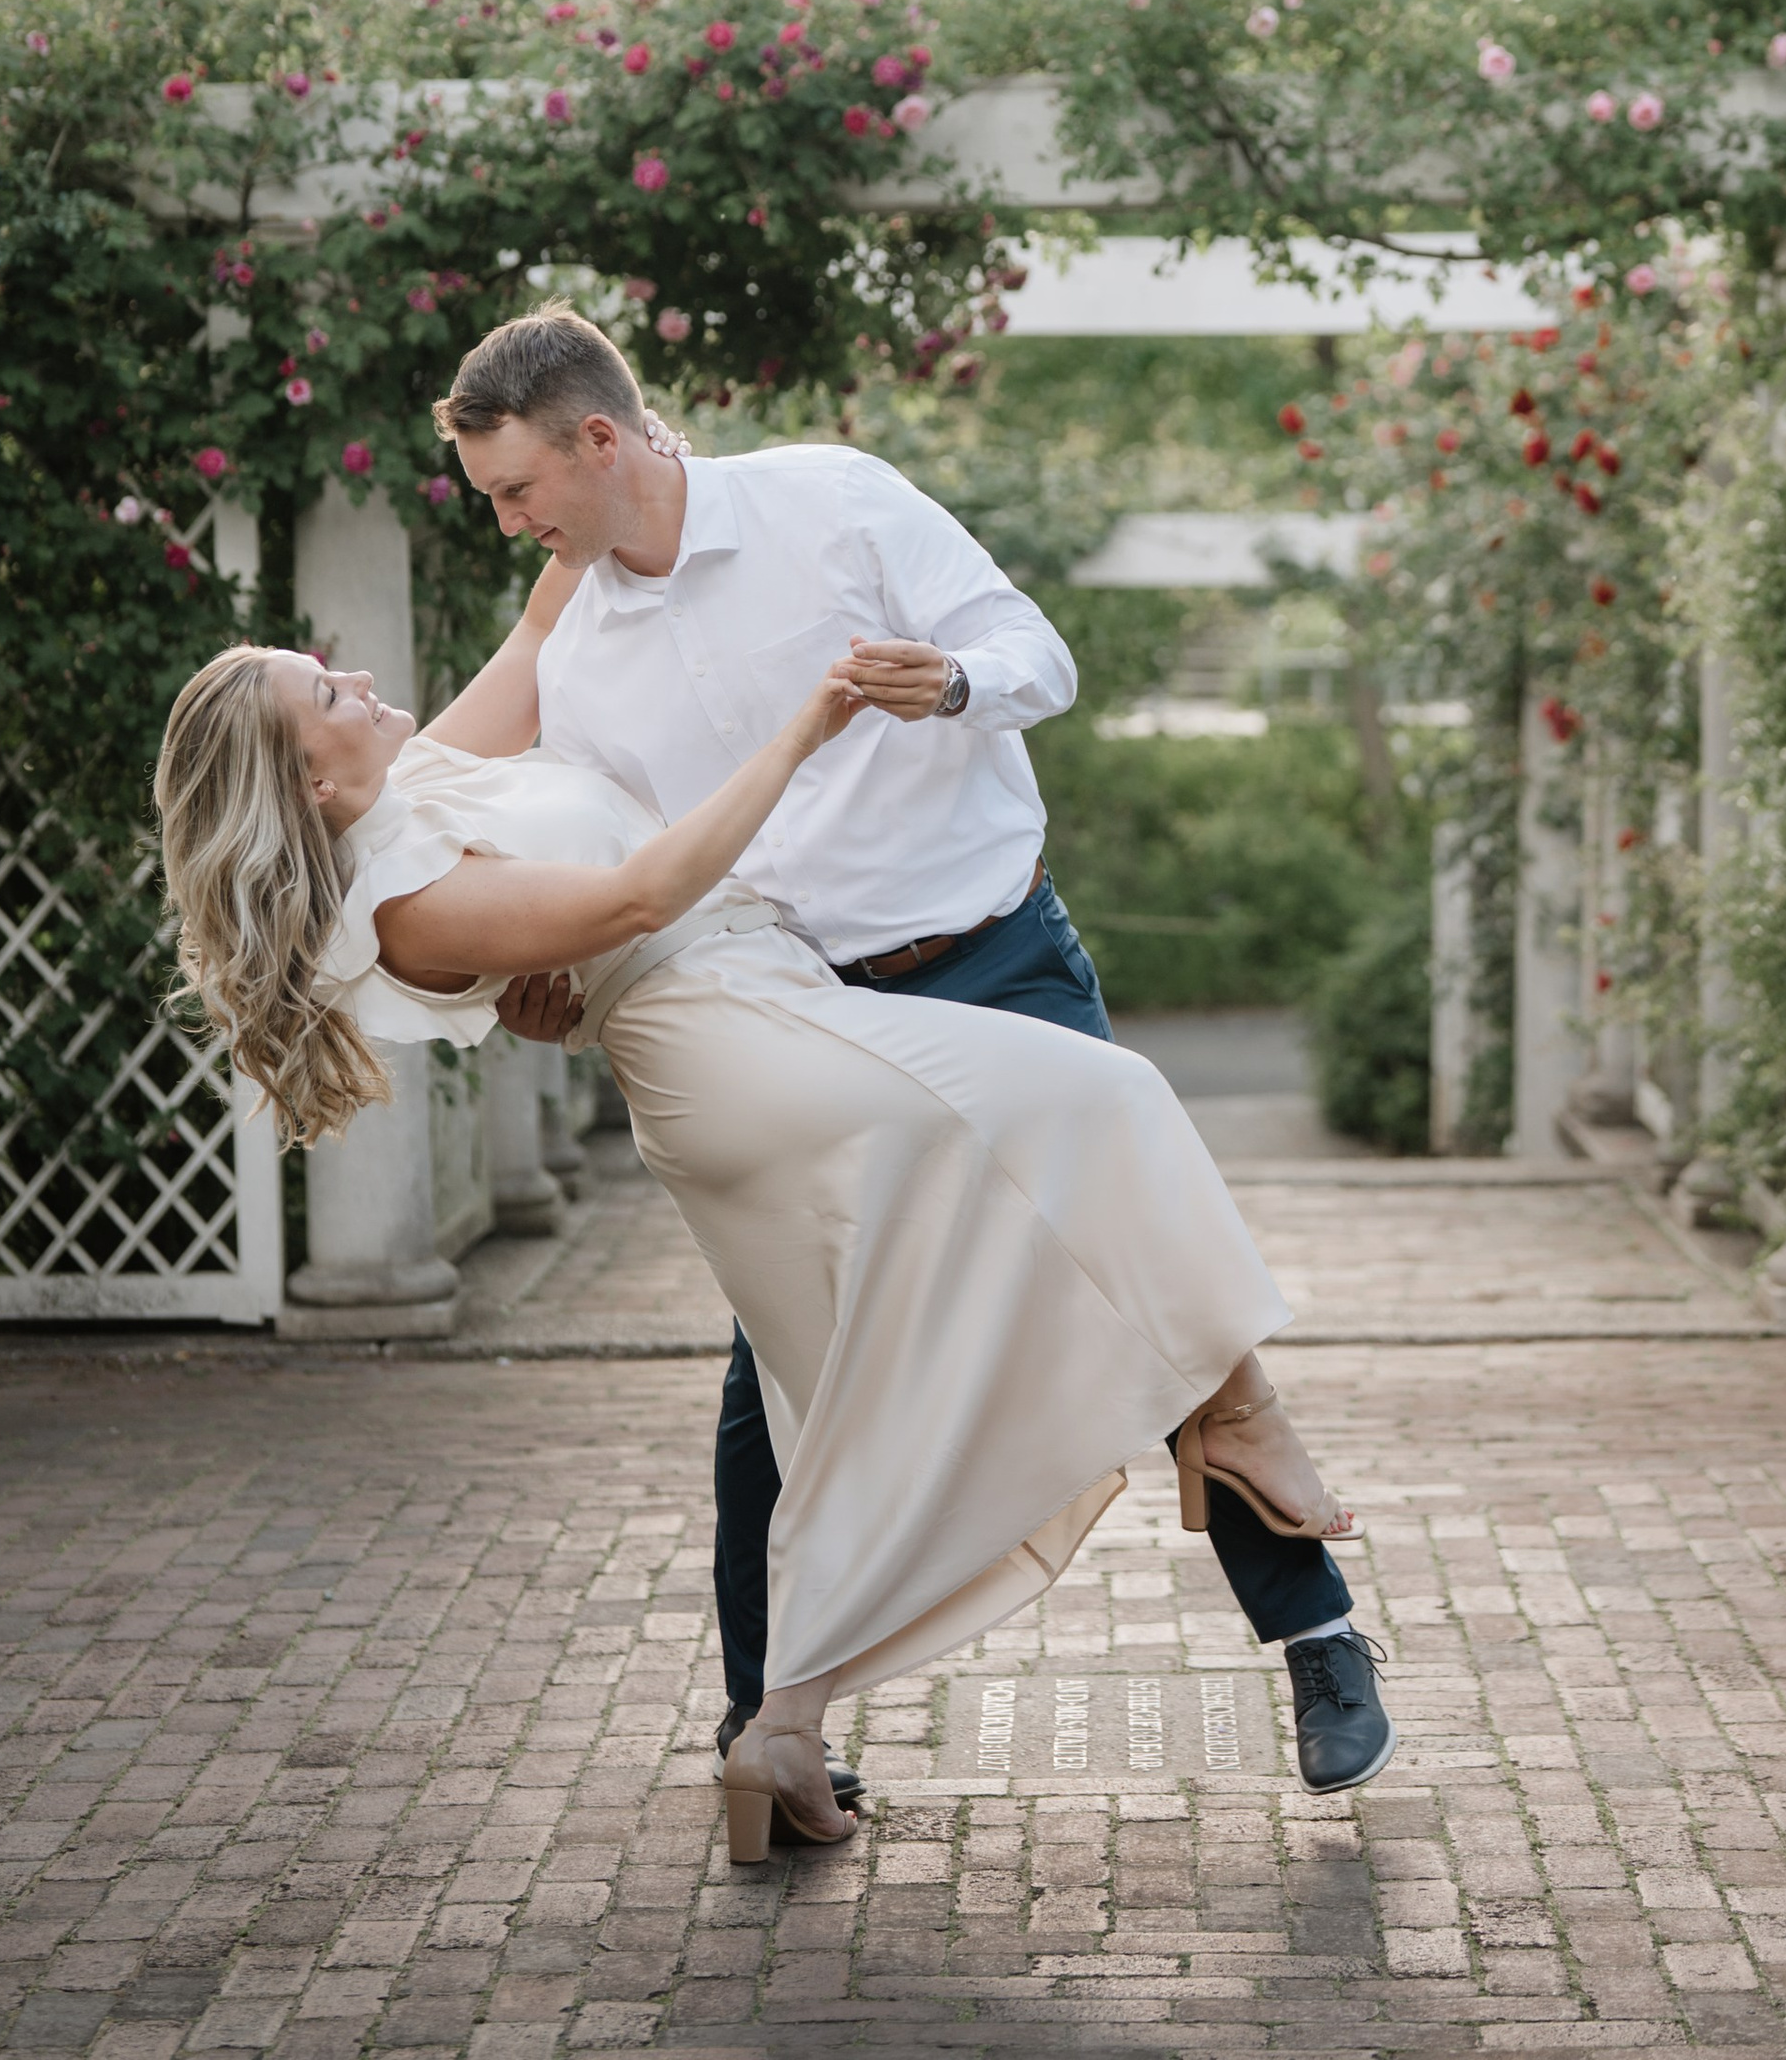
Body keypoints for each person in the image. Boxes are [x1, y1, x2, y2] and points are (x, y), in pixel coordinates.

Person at [153, 619, 1366, 1861]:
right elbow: (634, 898)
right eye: (328, 688)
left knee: (838, 1399)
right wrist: (807, 724)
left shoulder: (424, 779)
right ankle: (1241, 1419)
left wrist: (623, 452)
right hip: (736, 1052)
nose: (359, 676)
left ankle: (781, 1726)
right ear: (310, 776)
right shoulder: (396, 900)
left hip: (760, 1015)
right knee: (1106, 1104)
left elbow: (541, 615)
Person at [439, 303, 1395, 1799]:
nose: (507, 524)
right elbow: (615, 857)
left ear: (600, 440)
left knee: (1139, 1286)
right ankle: (769, 1726)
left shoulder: (833, 499)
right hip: (805, 1018)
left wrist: (952, 684)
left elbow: (1040, 654)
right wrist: (547, 970)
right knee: (773, 1375)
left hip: (997, 960)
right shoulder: (578, 657)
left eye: (516, 491)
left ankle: (1320, 1636)